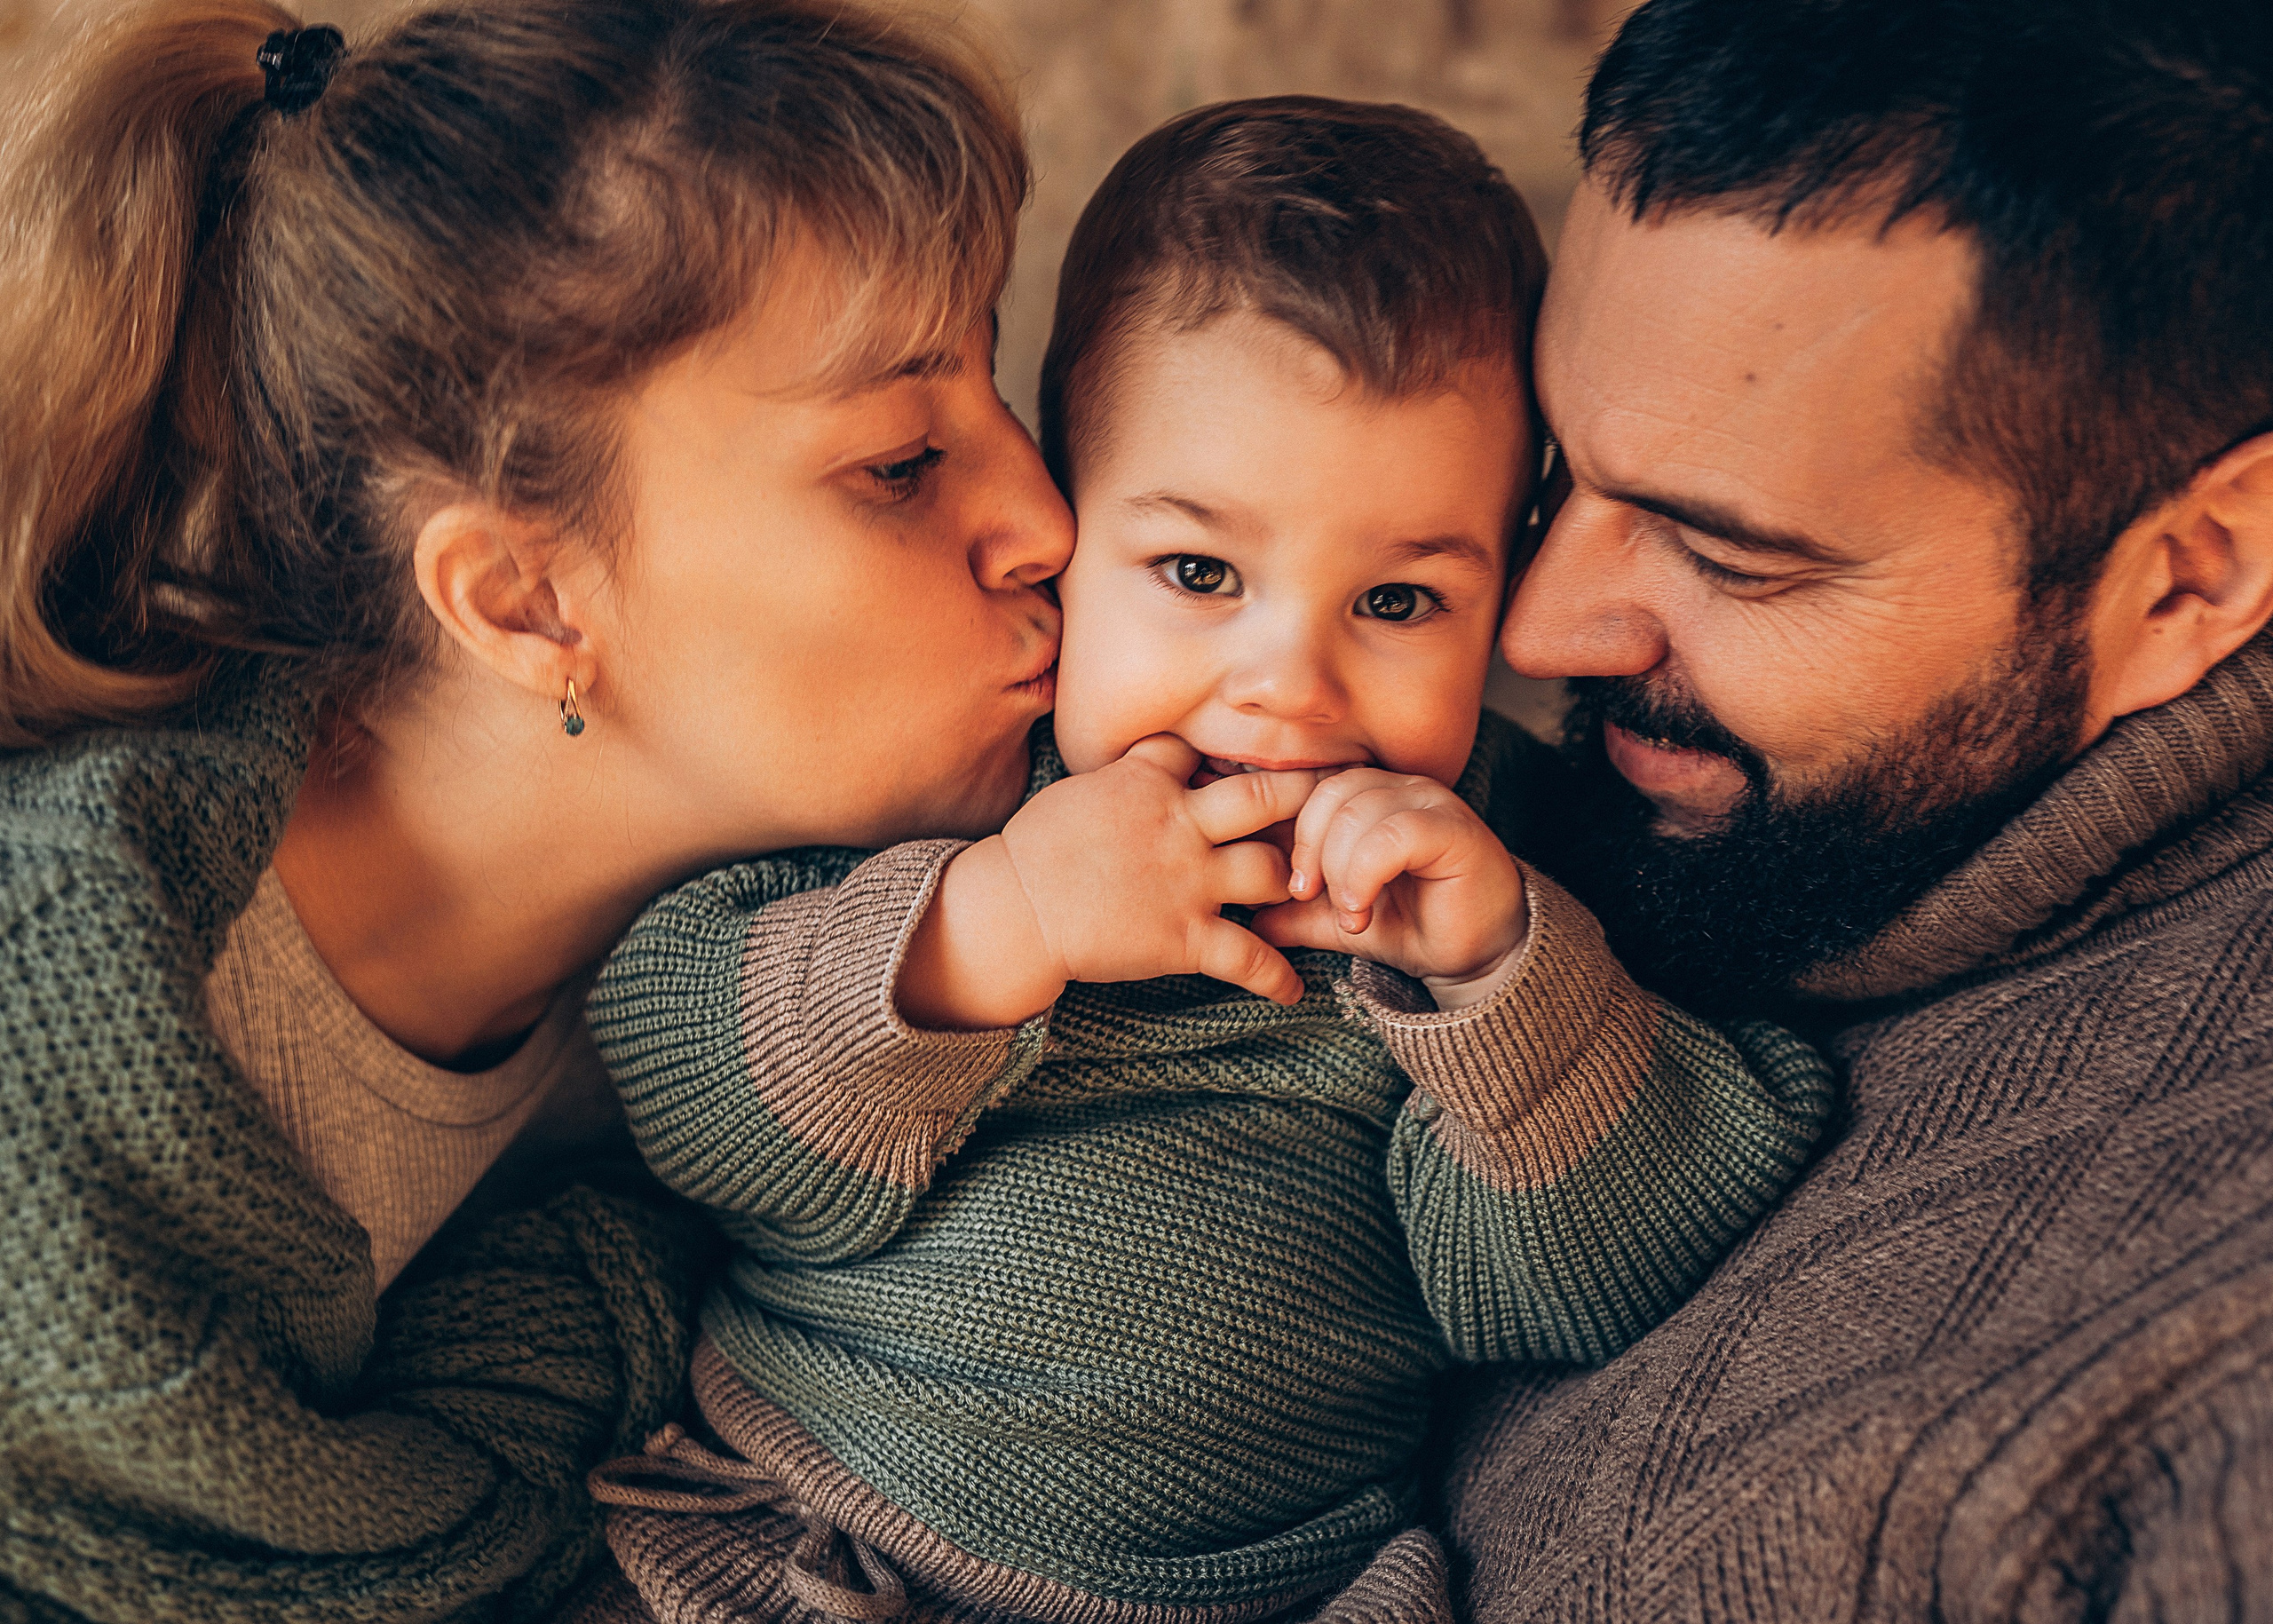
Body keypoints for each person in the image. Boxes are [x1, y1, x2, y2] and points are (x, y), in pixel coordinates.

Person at [577, 99, 1833, 1624]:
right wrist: (1005, 916)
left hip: (1253, 1596)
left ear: (1507, 576)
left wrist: (1501, 988)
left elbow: (1567, 1294)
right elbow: (685, 1080)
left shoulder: (1478, 873)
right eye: (1197, 574)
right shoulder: (973, 763)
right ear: (1062, 524)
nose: (1285, 688)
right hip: (810, 1539)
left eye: (1397, 603)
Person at [0, 1, 1073, 1618]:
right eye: (905, 461)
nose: (1048, 517)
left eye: (1001, 387)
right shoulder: (71, 1014)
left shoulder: (799, 982)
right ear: (522, 598)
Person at [1442, 0, 2273, 1615]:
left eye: (1733, 554)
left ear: (2197, 573)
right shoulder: (1655, 823)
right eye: (1556, 463)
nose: (1534, 629)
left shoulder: (2219, 1399)